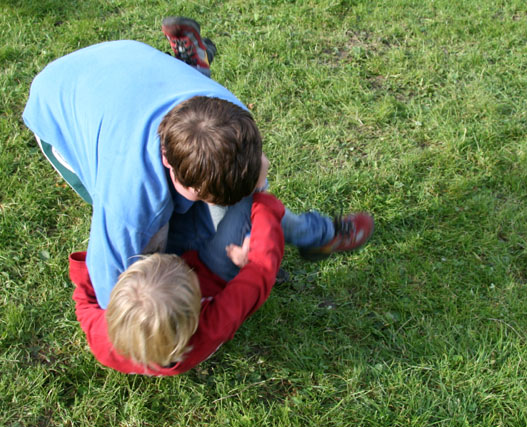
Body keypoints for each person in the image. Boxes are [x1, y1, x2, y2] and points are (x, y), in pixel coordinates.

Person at [23, 16, 374, 310]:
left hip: (132, 64)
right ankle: (191, 66)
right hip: (59, 101)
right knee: (163, 250)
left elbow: (255, 193)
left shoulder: (232, 117)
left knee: (233, 207)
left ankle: (316, 235)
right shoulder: (128, 200)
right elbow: (113, 297)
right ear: (171, 169)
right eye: (205, 196)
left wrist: (253, 223)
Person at [69, 190, 285, 376]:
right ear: (194, 317)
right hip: (212, 271)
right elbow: (261, 274)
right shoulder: (213, 326)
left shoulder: (102, 340)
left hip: (184, 282)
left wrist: (89, 266)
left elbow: (83, 303)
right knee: (248, 201)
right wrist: (265, 210)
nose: (172, 257)